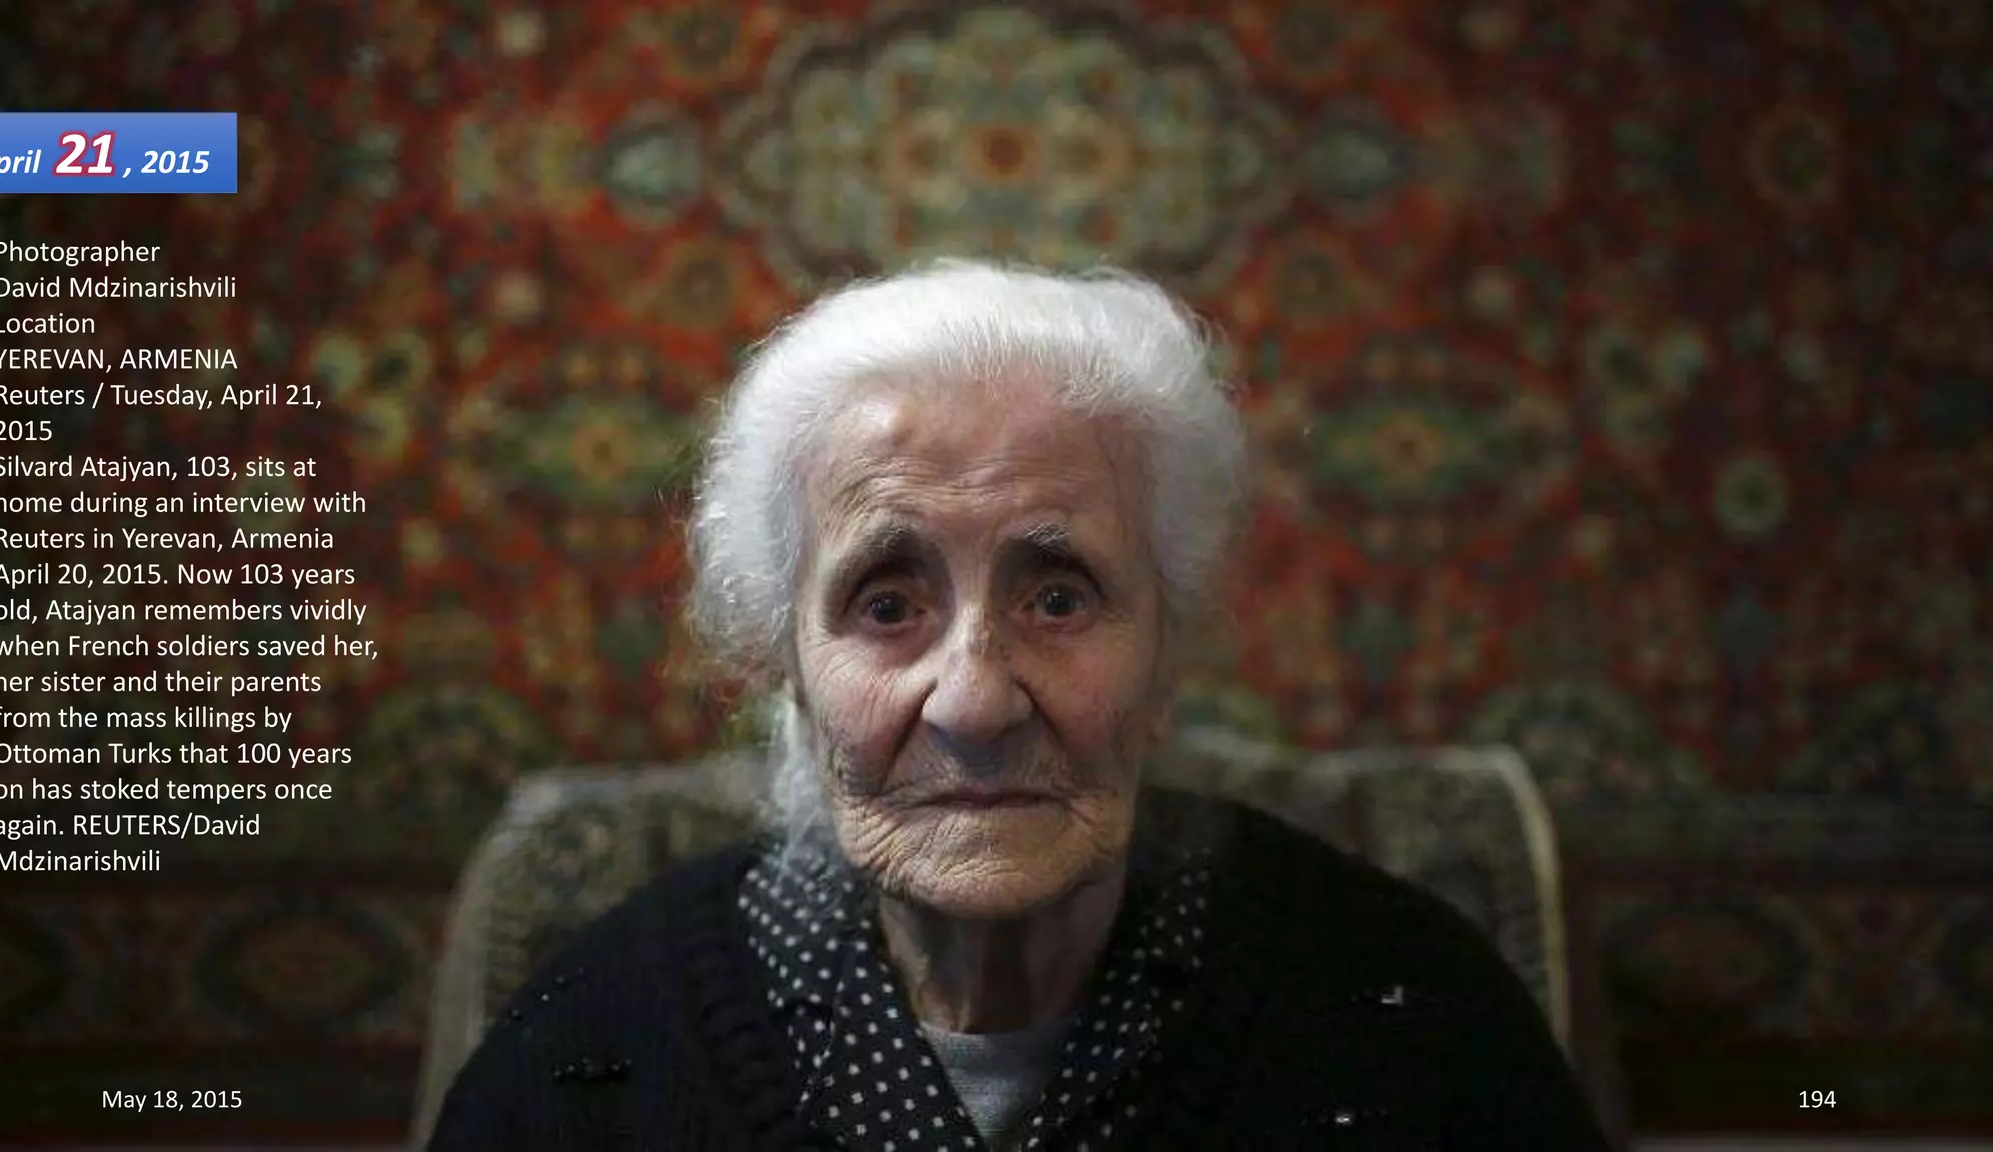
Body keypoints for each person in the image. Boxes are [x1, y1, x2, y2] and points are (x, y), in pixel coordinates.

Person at [427, 260, 1612, 1150]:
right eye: (887, 605)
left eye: (1057, 596)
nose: (975, 700)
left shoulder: (1412, 1017)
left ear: (1165, 650)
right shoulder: (590, 1051)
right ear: (788, 664)